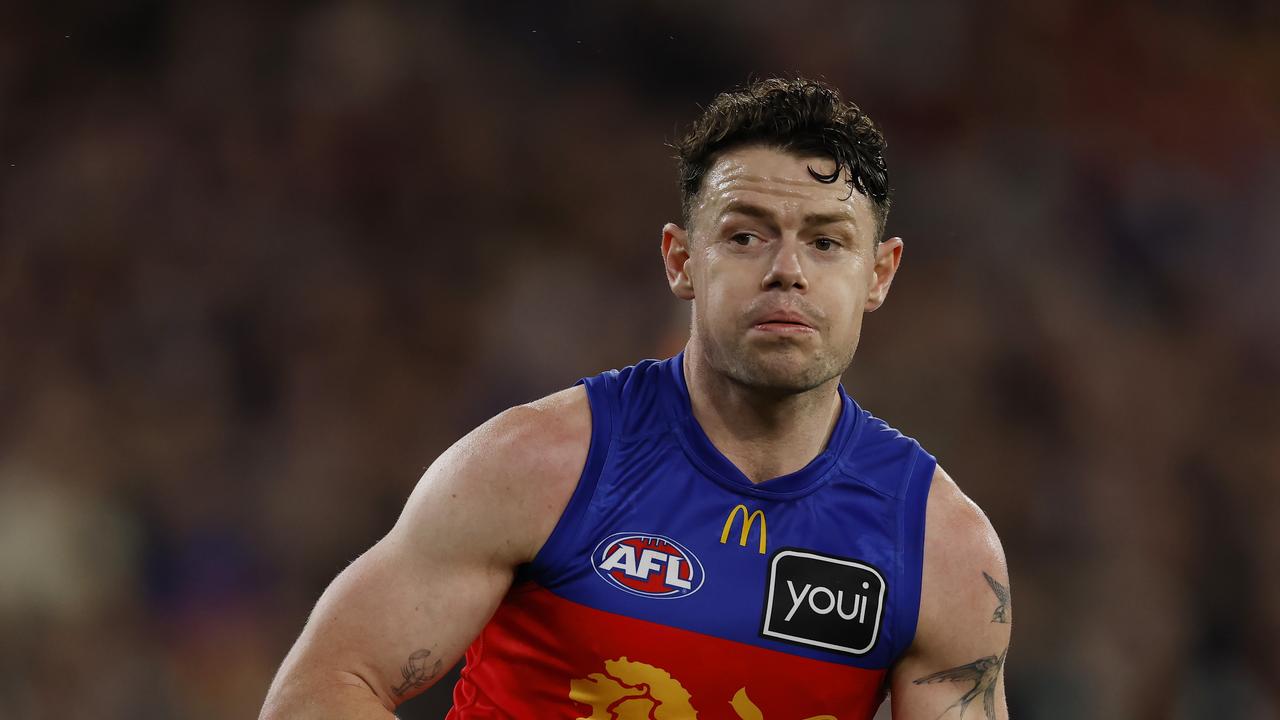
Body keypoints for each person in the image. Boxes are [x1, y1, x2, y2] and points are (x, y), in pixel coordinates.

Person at [260, 77, 1011, 720]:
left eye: (826, 242)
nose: (788, 269)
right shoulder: (539, 466)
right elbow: (321, 689)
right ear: (682, 260)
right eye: (746, 236)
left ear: (879, 274)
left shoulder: (939, 551)